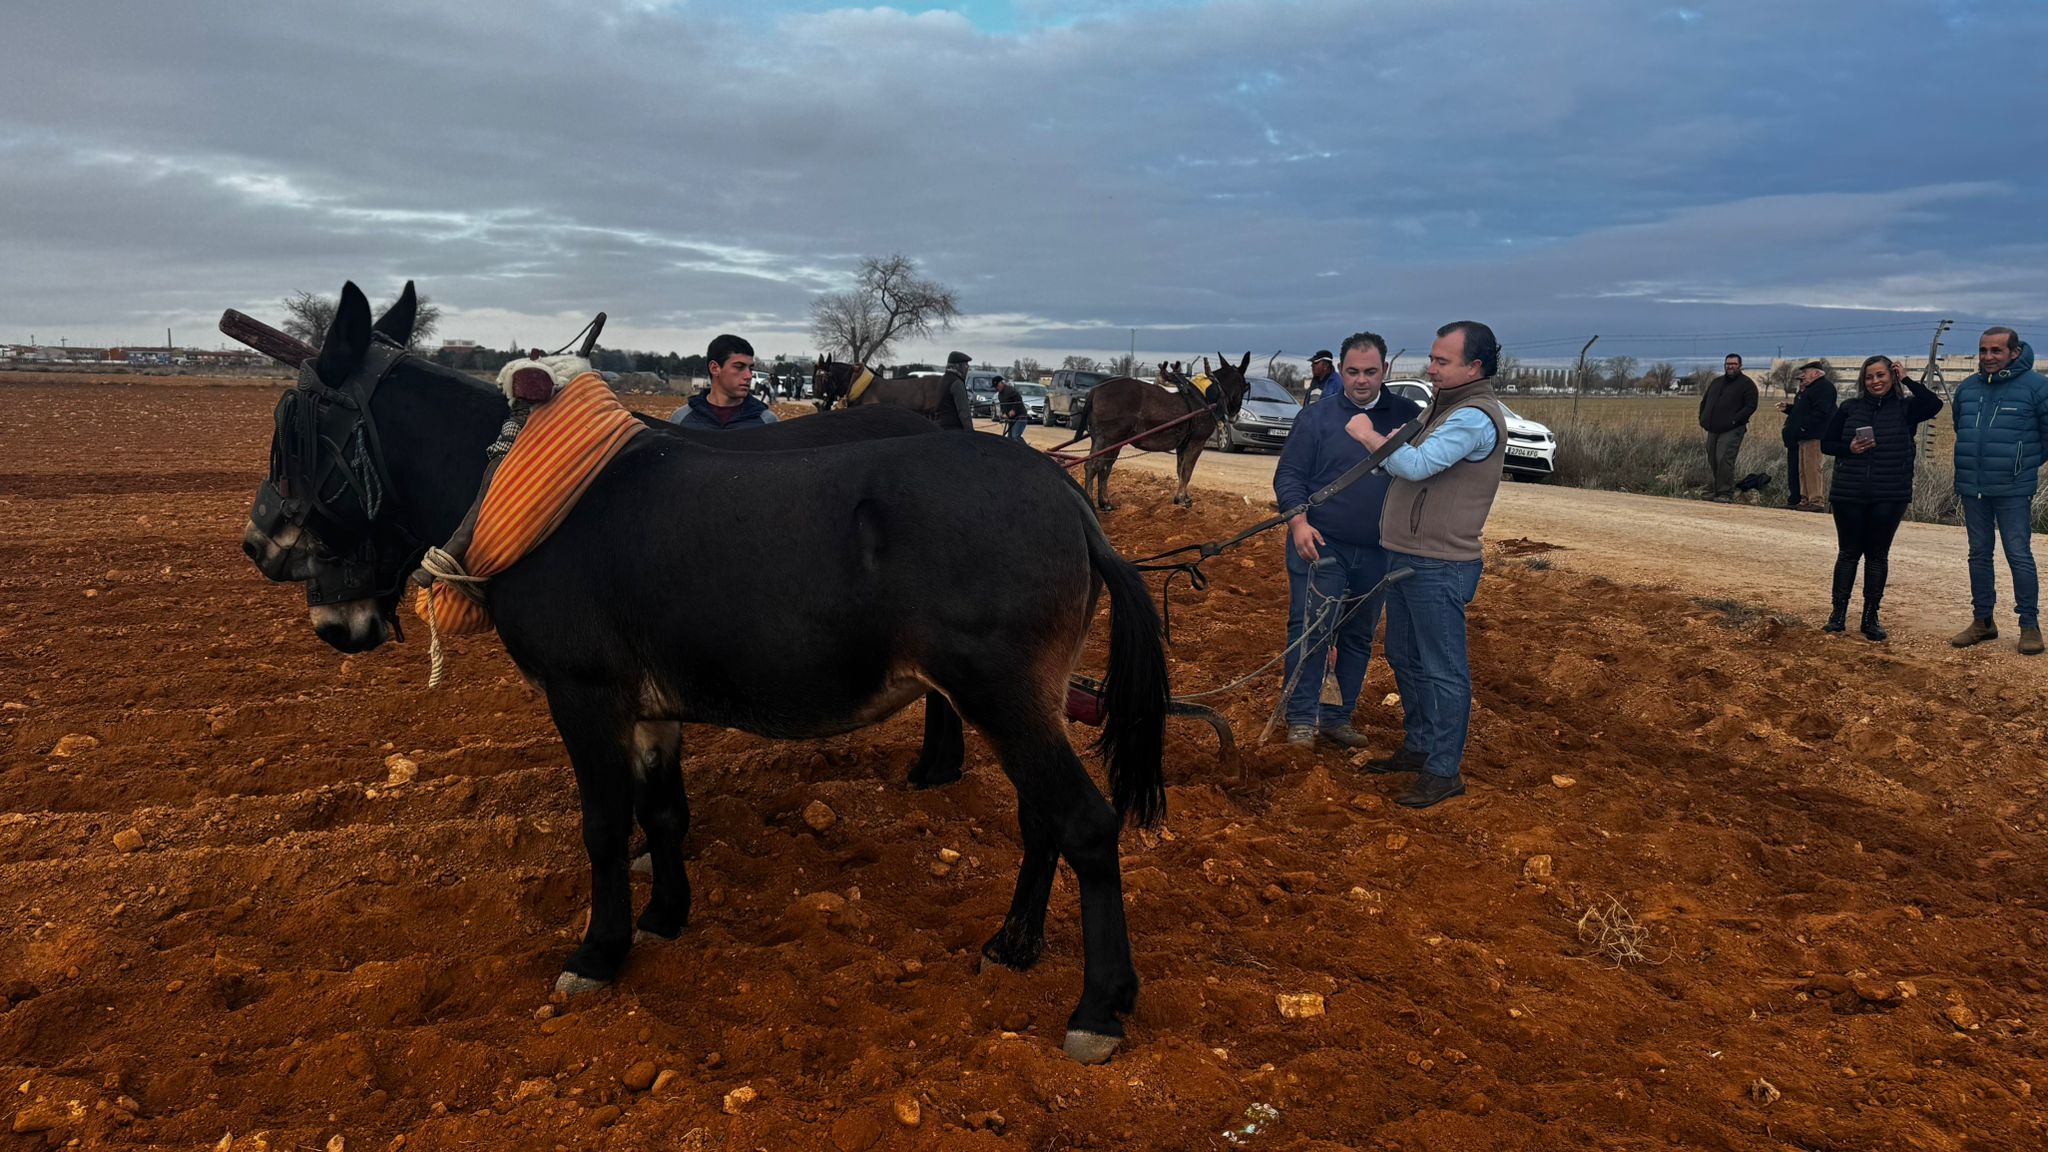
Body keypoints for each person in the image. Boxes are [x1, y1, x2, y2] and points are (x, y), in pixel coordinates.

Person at [1342, 321, 1507, 809]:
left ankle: (1443, 770)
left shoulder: (1472, 417)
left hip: (1439, 563)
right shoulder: (1443, 407)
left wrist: (1370, 436)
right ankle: (1420, 747)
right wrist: (1390, 449)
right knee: (1405, 656)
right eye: (1432, 358)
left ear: (1474, 367)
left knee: (1442, 668)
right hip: (1410, 556)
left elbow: (1415, 466)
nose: (1430, 368)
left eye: (1441, 361)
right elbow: (1405, 464)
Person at [1271, 332, 1424, 748]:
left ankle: (1338, 716)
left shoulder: (1409, 416)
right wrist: (1298, 523)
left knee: (1358, 634)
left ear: (1385, 370)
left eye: (1370, 371)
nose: (1361, 380)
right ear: (1341, 370)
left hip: (1380, 549)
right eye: (1353, 371)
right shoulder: (1316, 417)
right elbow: (1289, 474)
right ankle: (1302, 717)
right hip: (1322, 543)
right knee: (1312, 628)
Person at [1818, 356, 1942, 640]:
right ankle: (1837, 614)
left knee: (1877, 556)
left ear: (1892, 377)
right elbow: (1827, 444)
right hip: (1849, 492)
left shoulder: (1906, 409)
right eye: (1869, 376)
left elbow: (1934, 404)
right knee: (1848, 554)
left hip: (1890, 494)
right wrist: (1849, 448)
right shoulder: (1850, 408)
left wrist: (1907, 379)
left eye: (1881, 375)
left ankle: (1870, 616)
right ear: (1863, 380)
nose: (1875, 381)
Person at [1949, 327, 2048, 654]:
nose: (1988, 357)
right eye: (1983, 350)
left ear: (2014, 352)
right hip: (1973, 485)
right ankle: (1983, 621)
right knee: (1978, 553)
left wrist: (2020, 464)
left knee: (2018, 554)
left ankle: (2029, 625)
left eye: (1996, 350)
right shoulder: (1967, 389)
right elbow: (1961, 427)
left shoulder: (2037, 388)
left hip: (2013, 487)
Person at [670, 334, 778, 429]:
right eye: (739, 367)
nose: (749, 376)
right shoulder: (682, 420)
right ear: (714, 368)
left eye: (750, 368)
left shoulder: (766, 422)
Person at [1698, 353, 1758, 502]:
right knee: (1713, 458)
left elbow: (1751, 406)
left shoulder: (1747, 384)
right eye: (1728, 364)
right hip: (1713, 428)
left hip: (1732, 429)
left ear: (1740, 366)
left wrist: (1734, 420)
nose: (1730, 366)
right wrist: (1702, 418)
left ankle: (1726, 493)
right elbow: (1705, 401)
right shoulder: (1717, 382)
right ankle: (1717, 491)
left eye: (1734, 364)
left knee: (1724, 458)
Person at [1779, 361, 1836, 511]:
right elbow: (1801, 410)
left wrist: (1804, 426)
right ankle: (1805, 499)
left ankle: (1816, 501)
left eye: (1806, 372)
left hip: (1814, 435)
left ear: (1816, 373)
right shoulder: (1809, 390)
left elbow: (1821, 411)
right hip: (1803, 436)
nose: (1803, 376)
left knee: (1813, 468)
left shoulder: (1824, 388)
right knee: (1803, 469)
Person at [937, 351, 976, 431]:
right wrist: (970, 432)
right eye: (965, 364)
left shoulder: (942, 379)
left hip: (941, 427)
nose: (968, 367)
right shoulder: (957, 383)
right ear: (958, 366)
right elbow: (963, 411)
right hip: (954, 429)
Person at [995, 375, 1029, 440]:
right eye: (995, 387)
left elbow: (1019, 399)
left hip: (1020, 417)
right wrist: (1003, 414)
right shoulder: (1000, 395)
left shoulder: (1010, 390)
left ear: (1001, 383)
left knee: (1015, 437)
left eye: (997, 386)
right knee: (1010, 439)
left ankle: (1024, 446)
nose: (996, 388)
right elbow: (1003, 406)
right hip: (1011, 419)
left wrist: (1013, 410)